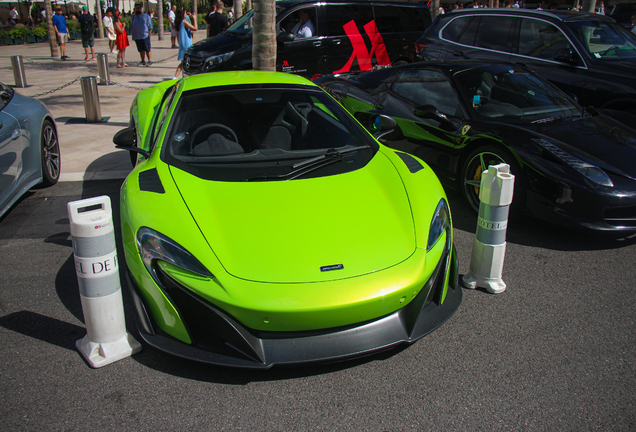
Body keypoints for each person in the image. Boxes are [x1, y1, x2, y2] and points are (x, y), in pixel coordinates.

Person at [173, 7, 198, 79]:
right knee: (188, 62)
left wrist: (188, 15)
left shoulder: (178, 23)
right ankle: (177, 77)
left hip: (182, 44)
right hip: (187, 45)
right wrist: (194, 18)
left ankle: (176, 76)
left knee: (183, 63)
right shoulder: (184, 22)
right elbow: (195, 28)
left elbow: (177, 35)